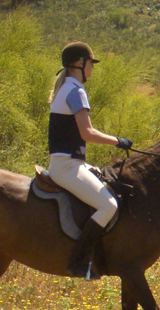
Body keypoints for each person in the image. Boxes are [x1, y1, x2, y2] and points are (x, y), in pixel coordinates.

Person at [48, 41, 132, 280]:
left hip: (70, 163)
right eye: (90, 64)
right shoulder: (76, 91)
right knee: (109, 206)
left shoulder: (64, 87)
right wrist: (118, 141)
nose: (92, 69)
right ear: (80, 64)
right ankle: (78, 261)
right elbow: (87, 133)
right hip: (66, 167)